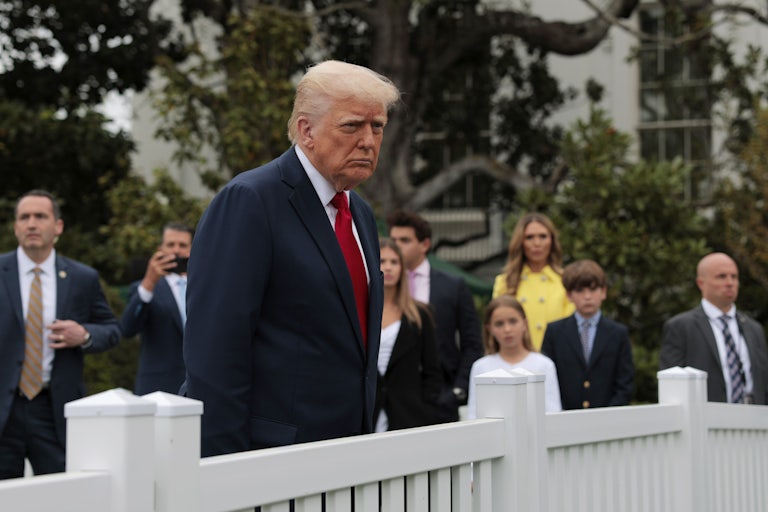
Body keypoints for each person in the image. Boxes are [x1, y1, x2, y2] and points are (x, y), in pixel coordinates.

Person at [183, 60, 400, 457]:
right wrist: (226, 470)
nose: (368, 141)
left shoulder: (361, 215)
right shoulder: (250, 201)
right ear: (306, 130)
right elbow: (215, 352)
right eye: (352, 126)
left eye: (378, 126)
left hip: (350, 455)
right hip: (269, 459)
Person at [0, 190, 120, 479]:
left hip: (54, 409)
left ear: (58, 227)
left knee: (59, 496)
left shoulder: (82, 278)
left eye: (40, 216)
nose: (31, 224)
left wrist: (85, 335)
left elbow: (113, 330)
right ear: (15, 227)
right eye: (24, 217)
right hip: (5, 409)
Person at [386, 210, 483, 422]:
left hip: (442, 396)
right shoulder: (379, 285)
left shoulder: (453, 286)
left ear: (425, 244)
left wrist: (458, 390)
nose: (397, 245)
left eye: (405, 240)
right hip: (392, 398)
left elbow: (473, 344)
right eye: (393, 239)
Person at [659, 252, 768, 404]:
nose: (730, 282)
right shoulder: (681, 327)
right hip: (705, 420)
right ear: (701, 283)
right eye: (721, 276)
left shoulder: (753, 329)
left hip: (752, 420)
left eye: (734, 277)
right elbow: (672, 386)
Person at [541, 259, 634, 409]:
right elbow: (549, 381)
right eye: (580, 291)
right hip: (566, 419)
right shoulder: (554, 332)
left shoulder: (618, 333)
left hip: (607, 420)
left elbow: (624, 382)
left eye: (593, 289)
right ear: (569, 295)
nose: (587, 297)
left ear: (603, 292)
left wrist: (610, 414)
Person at [374, 238, 442, 432]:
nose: (388, 267)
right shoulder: (361, 312)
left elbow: (432, 371)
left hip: (409, 415)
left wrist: (427, 409)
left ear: (402, 268)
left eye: (394, 262)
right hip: (368, 413)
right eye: (382, 261)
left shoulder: (420, 315)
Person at [121, 222, 193, 395]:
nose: (176, 250)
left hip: (199, 387)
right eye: (170, 245)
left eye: (183, 245)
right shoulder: (146, 288)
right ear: (160, 249)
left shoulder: (204, 287)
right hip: (158, 389)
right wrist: (149, 282)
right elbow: (127, 328)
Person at [467, 295, 562, 417]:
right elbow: (474, 413)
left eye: (513, 321)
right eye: (499, 324)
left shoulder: (544, 365)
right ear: (489, 328)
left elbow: (553, 410)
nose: (507, 329)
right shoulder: (481, 367)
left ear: (525, 323)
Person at [492, 212, 574, 351]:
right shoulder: (504, 282)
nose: (537, 243)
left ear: (552, 241)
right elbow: (498, 325)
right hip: (518, 361)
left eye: (543, 236)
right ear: (520, 242)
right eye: (529, 237)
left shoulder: (567, 281)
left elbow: (571, 329)